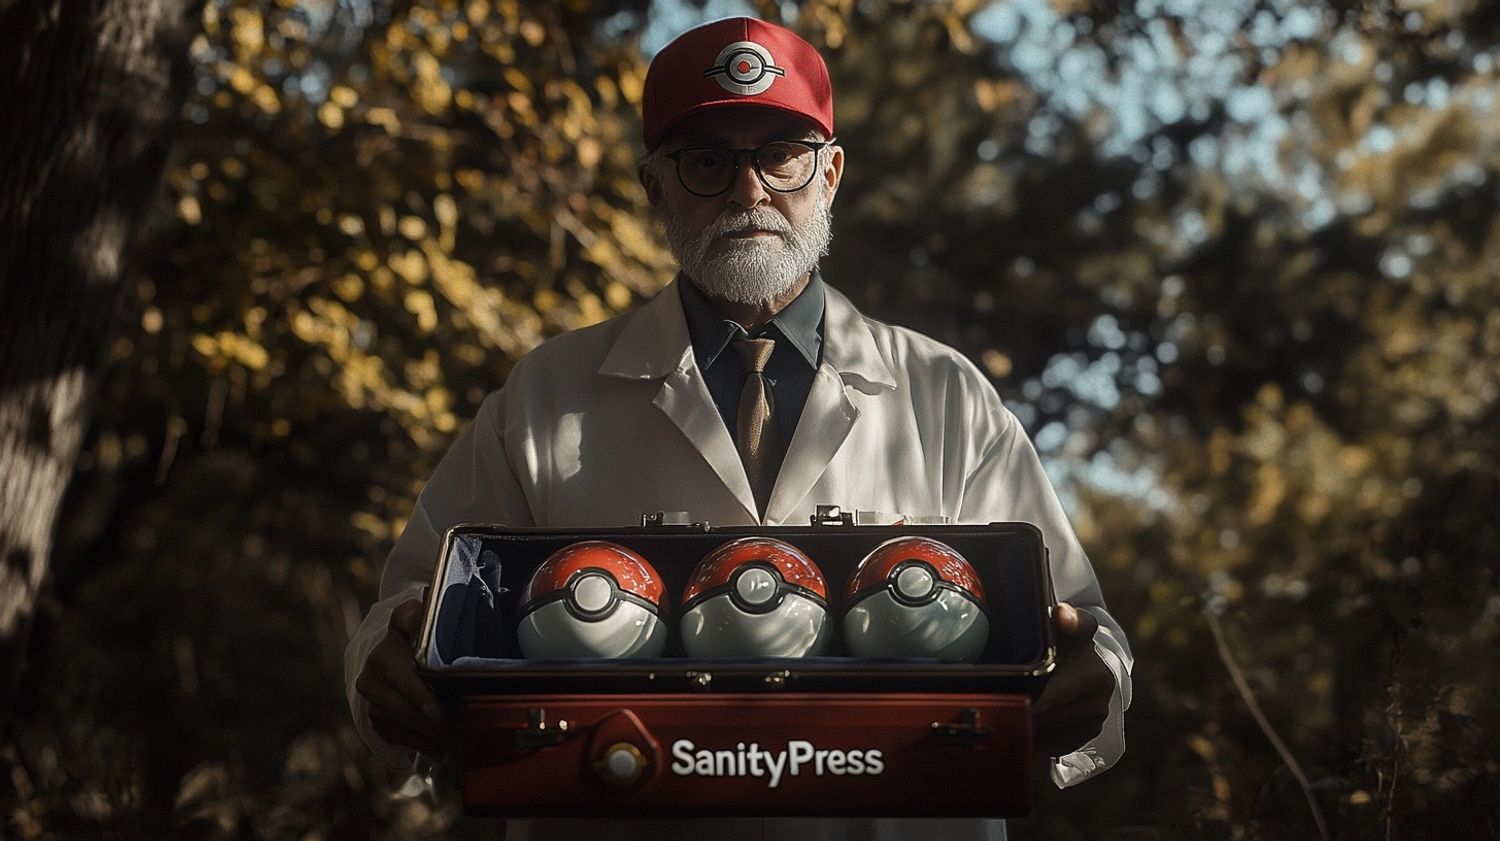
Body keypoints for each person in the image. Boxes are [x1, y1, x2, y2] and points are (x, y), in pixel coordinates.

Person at [346, 16, 1132, 841]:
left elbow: (1082, 623)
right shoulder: (546, 395)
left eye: (781, 155)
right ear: (655, 187)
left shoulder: (944, 394)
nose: (749, 192)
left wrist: (1091, 674)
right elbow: (409, 607)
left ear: (829, 175)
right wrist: (385, 663)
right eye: (707, 160)